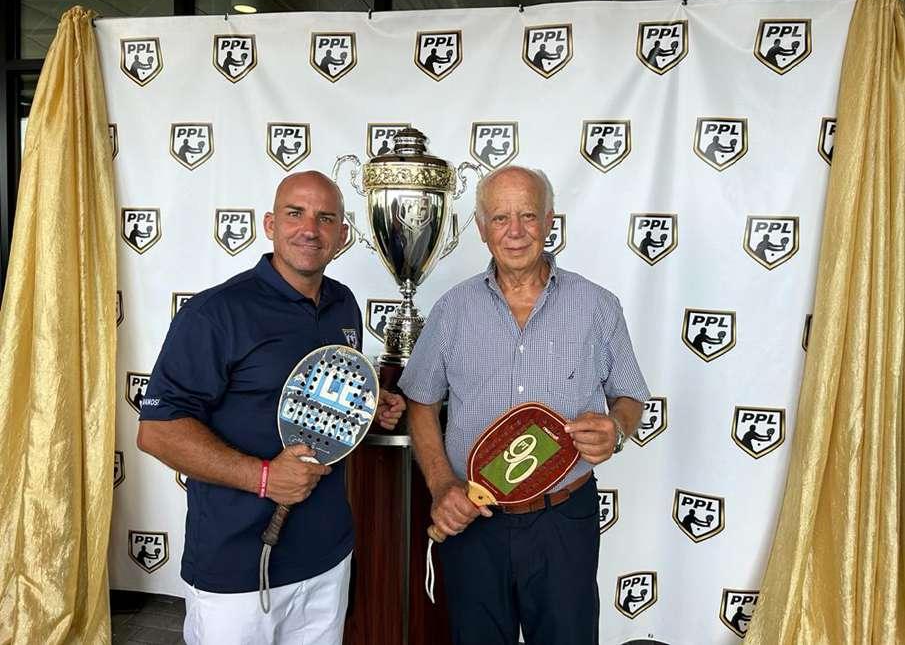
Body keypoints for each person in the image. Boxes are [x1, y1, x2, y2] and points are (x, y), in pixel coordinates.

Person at [137, 171, 405, 645]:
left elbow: (317, 401)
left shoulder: (343, 304)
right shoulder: (214, 314)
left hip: (327, 556)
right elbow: (157, 431)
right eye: (295, 213)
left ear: (342, 234)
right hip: (236, 567)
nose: (310, 229)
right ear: (269, 225)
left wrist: (366, 404)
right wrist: (263, 477)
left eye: (326, 218)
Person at [398, 165, 649, 644]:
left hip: (562, 519)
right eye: (500, 218)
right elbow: (421, 402)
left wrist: (616, 429)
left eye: (528, 216)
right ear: (481, 228)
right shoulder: (451, 310)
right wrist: (442, 485)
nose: (515, 231)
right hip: (474, 517)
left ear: (550, 221)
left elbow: (630, 395)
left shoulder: (598, 306)